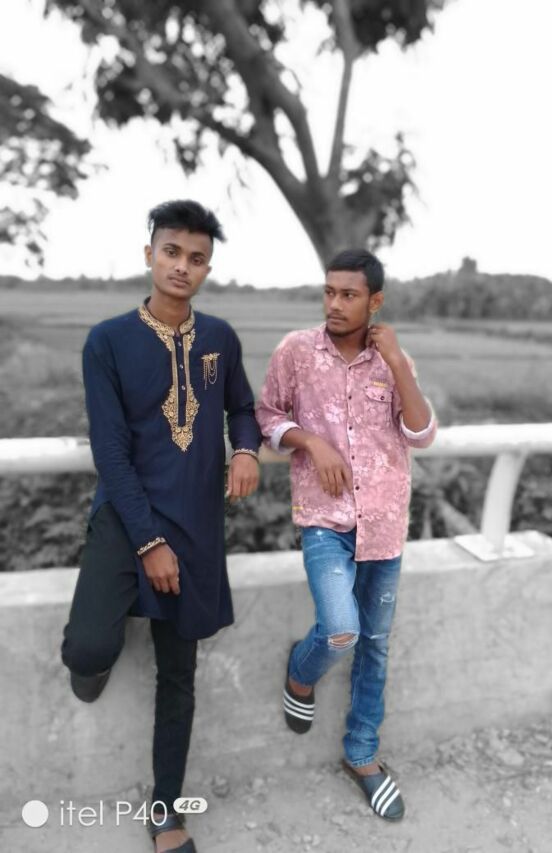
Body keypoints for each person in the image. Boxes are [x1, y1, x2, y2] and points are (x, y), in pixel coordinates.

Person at [61, 199, 260, 853]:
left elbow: (242, 408)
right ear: (149, 254)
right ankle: (97, 650)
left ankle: (166, 813)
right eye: (171, 252)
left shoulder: (220, 338)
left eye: (196, 258)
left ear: (207, 267)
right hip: (126, 517)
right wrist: (148, 542)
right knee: (87, 649)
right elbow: (110, 452)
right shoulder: (107, 341)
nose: (182, 266)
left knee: (178, 676)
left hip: (196, 523)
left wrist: (245, 449)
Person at [256, 248, 437, 822]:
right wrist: (311, 442)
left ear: (374, 301)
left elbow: (421, 433)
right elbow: (266, 416)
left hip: (384, 523)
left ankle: (361, 755)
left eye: (349, 295)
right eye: (329, 292)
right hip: (324, 520)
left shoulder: (393, 361)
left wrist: (398, 363)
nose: (334, 304)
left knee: (374, 645)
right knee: (341, 631)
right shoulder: (296, 351)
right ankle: (300, 672)